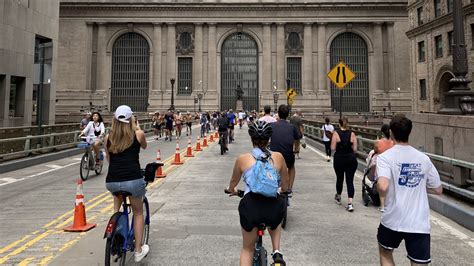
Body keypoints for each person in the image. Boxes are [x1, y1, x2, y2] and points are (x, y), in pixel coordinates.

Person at [376, 115, 442, 265]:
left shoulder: (385, 158)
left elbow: (383, 187)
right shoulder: (423, 158)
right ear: (409, 132)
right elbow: (438, 189)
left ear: (391, 132)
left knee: (385, 252)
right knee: (418, 262)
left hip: (393, 219)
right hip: (418, 222)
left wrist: (380, 187)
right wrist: (417, 185)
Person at [226, 121, 289, 266]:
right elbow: (285, 185)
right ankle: (277, 252)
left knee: (247, 249)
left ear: (251, 139)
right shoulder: (278, 157)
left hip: (251, 208)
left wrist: (232, 190)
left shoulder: (242, 159)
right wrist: (283, 191)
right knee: (276, 214)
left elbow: (233, 183)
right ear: (269, 139)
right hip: (272, 208)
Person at [103, 105, 149, 262]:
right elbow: (144, 146)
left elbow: (109, 160)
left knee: (118, 192)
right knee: (138, 212)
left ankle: (116, 222)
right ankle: (138, 250)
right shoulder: (138, 134)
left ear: (114, 120)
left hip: (112, 182)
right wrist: (137, 128)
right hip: (133, 181)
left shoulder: (108, 138)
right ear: (131, 119)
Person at [269, 105, 300, 194]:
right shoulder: (292, 127)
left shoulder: (272, 125)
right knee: (291, 167)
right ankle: (289, 188)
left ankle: (272, 185)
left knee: (271, 166)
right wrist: (296, 149)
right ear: (288, 115)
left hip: (274, 155)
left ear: (278, 114)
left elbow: (267, 137)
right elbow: (297, 139)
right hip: (288, 154)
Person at [331, 117, 358, 212]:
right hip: (351, 159)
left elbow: (333, 147)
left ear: (339, 123)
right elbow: (355, 149)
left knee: (340, 178)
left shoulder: (336, 133)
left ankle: (338, 196)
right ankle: (350, 203)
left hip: (339, 159)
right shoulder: (352, 134)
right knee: (350, 180)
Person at [373, 124, 394, 212]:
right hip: (391, 165)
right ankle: (390, 203)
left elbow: (375, 151)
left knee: (381, 184)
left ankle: (382, 206)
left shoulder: (378, 142)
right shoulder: (393, 143)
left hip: (381, 165)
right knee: (390, 184)